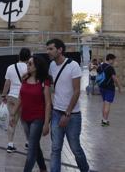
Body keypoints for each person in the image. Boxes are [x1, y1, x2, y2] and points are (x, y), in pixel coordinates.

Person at [46, 38, 89, 172]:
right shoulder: (52, 66)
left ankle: (85, 169)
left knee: (75, 148)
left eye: (51, 49)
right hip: (56, 113)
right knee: (55, 148)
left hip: (72, 115)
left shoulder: (73, 65)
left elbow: (77, 91)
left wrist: (67, 113)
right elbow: (52, 85)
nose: (48, 52)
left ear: (60, 50)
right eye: (47, 49)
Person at [10, 55, 51, 172]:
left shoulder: (44, 81)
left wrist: (46, 123)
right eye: (28, 63)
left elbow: (48, 103)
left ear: (37, 66)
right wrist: (13, 114)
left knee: (31, 149)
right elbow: (20, 97)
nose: (27, 65)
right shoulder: (25, 78)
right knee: (35, 145)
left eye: (30, 64)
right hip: (25, 117)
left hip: (38, 118)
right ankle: (43, 168)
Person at [0, 47, 30, 153]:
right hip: (23, 97)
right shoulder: (29, 68)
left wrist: (4, 95)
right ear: (29, 57)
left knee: (12, 121)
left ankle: (10, 144)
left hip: (11, 97)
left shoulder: (10, 67)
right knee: (25, 122)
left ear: (19, 56)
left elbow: (7, 83)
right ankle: (28, 143)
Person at [98, 53, 122, 127]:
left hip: (101, 87)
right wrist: (119, 87)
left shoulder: (100, 66)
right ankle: (105, 122)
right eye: (113, 60)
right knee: (107, 104)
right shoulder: (110, 68)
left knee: (104, 103)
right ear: (110, 59)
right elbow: (114, 79)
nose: (114, 62)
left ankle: (104, 119)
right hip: (109, 88)